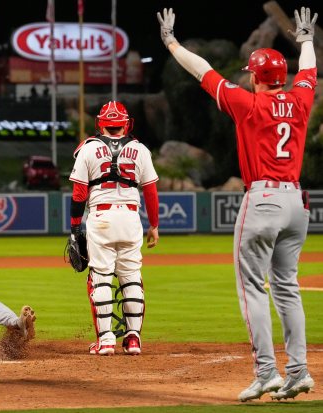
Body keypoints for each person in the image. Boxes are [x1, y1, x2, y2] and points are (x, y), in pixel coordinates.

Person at [158, 6, 317, 401]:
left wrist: (172, 42)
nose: (246, 75)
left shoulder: (247, 104)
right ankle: (298, 371)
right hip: (297, 203)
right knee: (287, 288)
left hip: (262, 199)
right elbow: (310, 72)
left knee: (252, 287)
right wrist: (308, 40)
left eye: (250, 72)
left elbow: (203, 71)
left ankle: (266, 372)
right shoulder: (299, 101)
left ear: (257, 77)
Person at [69, 101, 160, 356]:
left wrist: (75, 228)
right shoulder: (140, 149)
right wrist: (154, 225)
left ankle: (106, 340)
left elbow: (78, 193)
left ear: (100, 123)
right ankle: (133, 340)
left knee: (101, 277)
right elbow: (151, 191)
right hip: (131, 219)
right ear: (126, 123)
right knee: (131, 276)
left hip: (101, 217)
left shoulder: (88, 149)